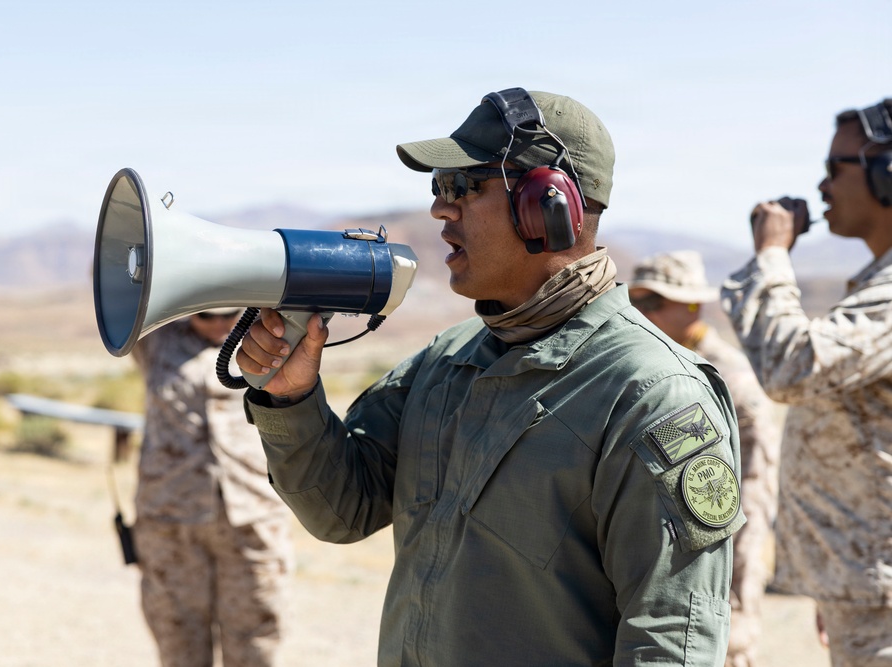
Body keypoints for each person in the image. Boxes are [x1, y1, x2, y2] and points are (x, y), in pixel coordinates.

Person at [237, 87, 746, 666]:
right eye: (437, 187)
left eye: (462, 187)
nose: (439, 209)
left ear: (547, 205)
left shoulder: (652, 395)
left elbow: (670, 639)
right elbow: (341, 511)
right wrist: (292, 399)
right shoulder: (447, 360)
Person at [721, 98, 892, 666]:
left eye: (835, 167)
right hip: (866, 588)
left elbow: (791, 369)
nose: (821, 186)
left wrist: (772, 255)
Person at [629, 250, 782, 667]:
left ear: (693, 306)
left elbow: (752, 493)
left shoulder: (727, 378)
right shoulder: (647, 364)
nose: (640, 312)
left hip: (715, 564)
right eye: (636, 301)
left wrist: (741, 603)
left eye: (654, 302)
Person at [131, 307, 292, 667]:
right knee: (178, 639)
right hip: (171, 521)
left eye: (229, 314)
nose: (219, 323)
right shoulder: (157, 340)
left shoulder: (269, 338)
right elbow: (118, 282)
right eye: (206, 315)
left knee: (256, 640)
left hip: (253, 517)